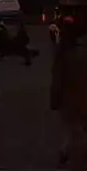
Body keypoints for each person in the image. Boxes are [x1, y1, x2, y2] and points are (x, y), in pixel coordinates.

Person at [50, 19, 87, 170]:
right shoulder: (80, 53)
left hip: (70, 100)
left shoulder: (63, 54)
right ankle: (70, 155)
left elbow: (57, 80)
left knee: (74, 131)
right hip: (80, 98)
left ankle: (67, 155)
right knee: (78, 132)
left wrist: (54, 99)